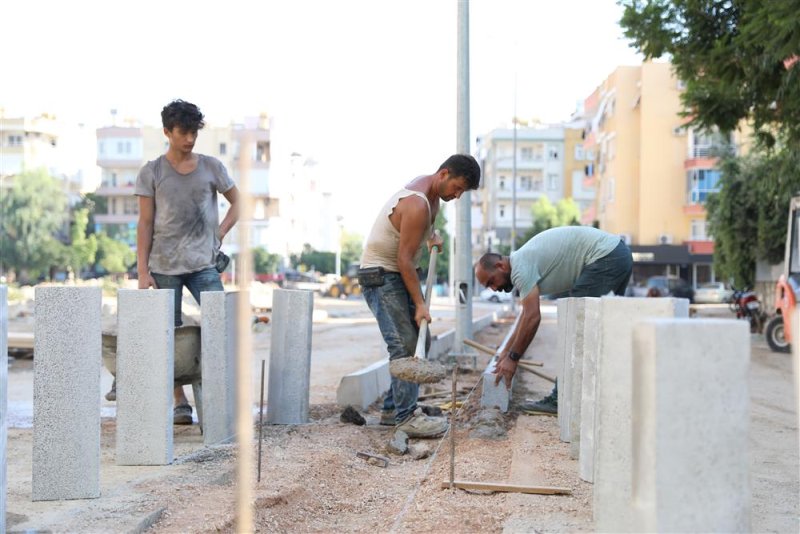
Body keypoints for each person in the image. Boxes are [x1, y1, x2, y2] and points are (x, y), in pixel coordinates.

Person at [132, 99, 239, 424]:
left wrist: (219, 233)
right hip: (164, 266)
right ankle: (180, 402)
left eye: (193, 132)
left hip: (203, 265)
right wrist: (142, 271)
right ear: (167, 132)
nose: (189, 139)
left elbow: (238, 204)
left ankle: (219, 400)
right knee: (170, 336)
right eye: (182, 132)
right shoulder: (152, 172)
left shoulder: (211, 167)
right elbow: (145, 223)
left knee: (221, 326)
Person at [360, 154, 481, 437]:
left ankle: (394, 409)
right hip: (381, 276)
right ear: (444, 174)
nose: (458, 195)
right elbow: (403, 259)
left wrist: (431, 237)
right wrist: (419, 305)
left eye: (463, 192)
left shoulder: (432, 198)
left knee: (420, 340)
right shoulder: (416, 203)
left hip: (394, 273)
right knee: (405, 346)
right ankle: (405, 418)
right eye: (458, 187)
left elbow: (415, 233)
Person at [474, 225, 633, 415]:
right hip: (616, 254)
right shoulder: (522, 262)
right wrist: (506, 351)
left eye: (491, 281)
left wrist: (513, 359)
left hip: (606, 257)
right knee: (601, 333)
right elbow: (525, 315)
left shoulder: (520, 268)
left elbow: (533, 318)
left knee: (577, 326)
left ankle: (559, 399)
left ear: (500, 266)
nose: (493, 289)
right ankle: (609, 397)